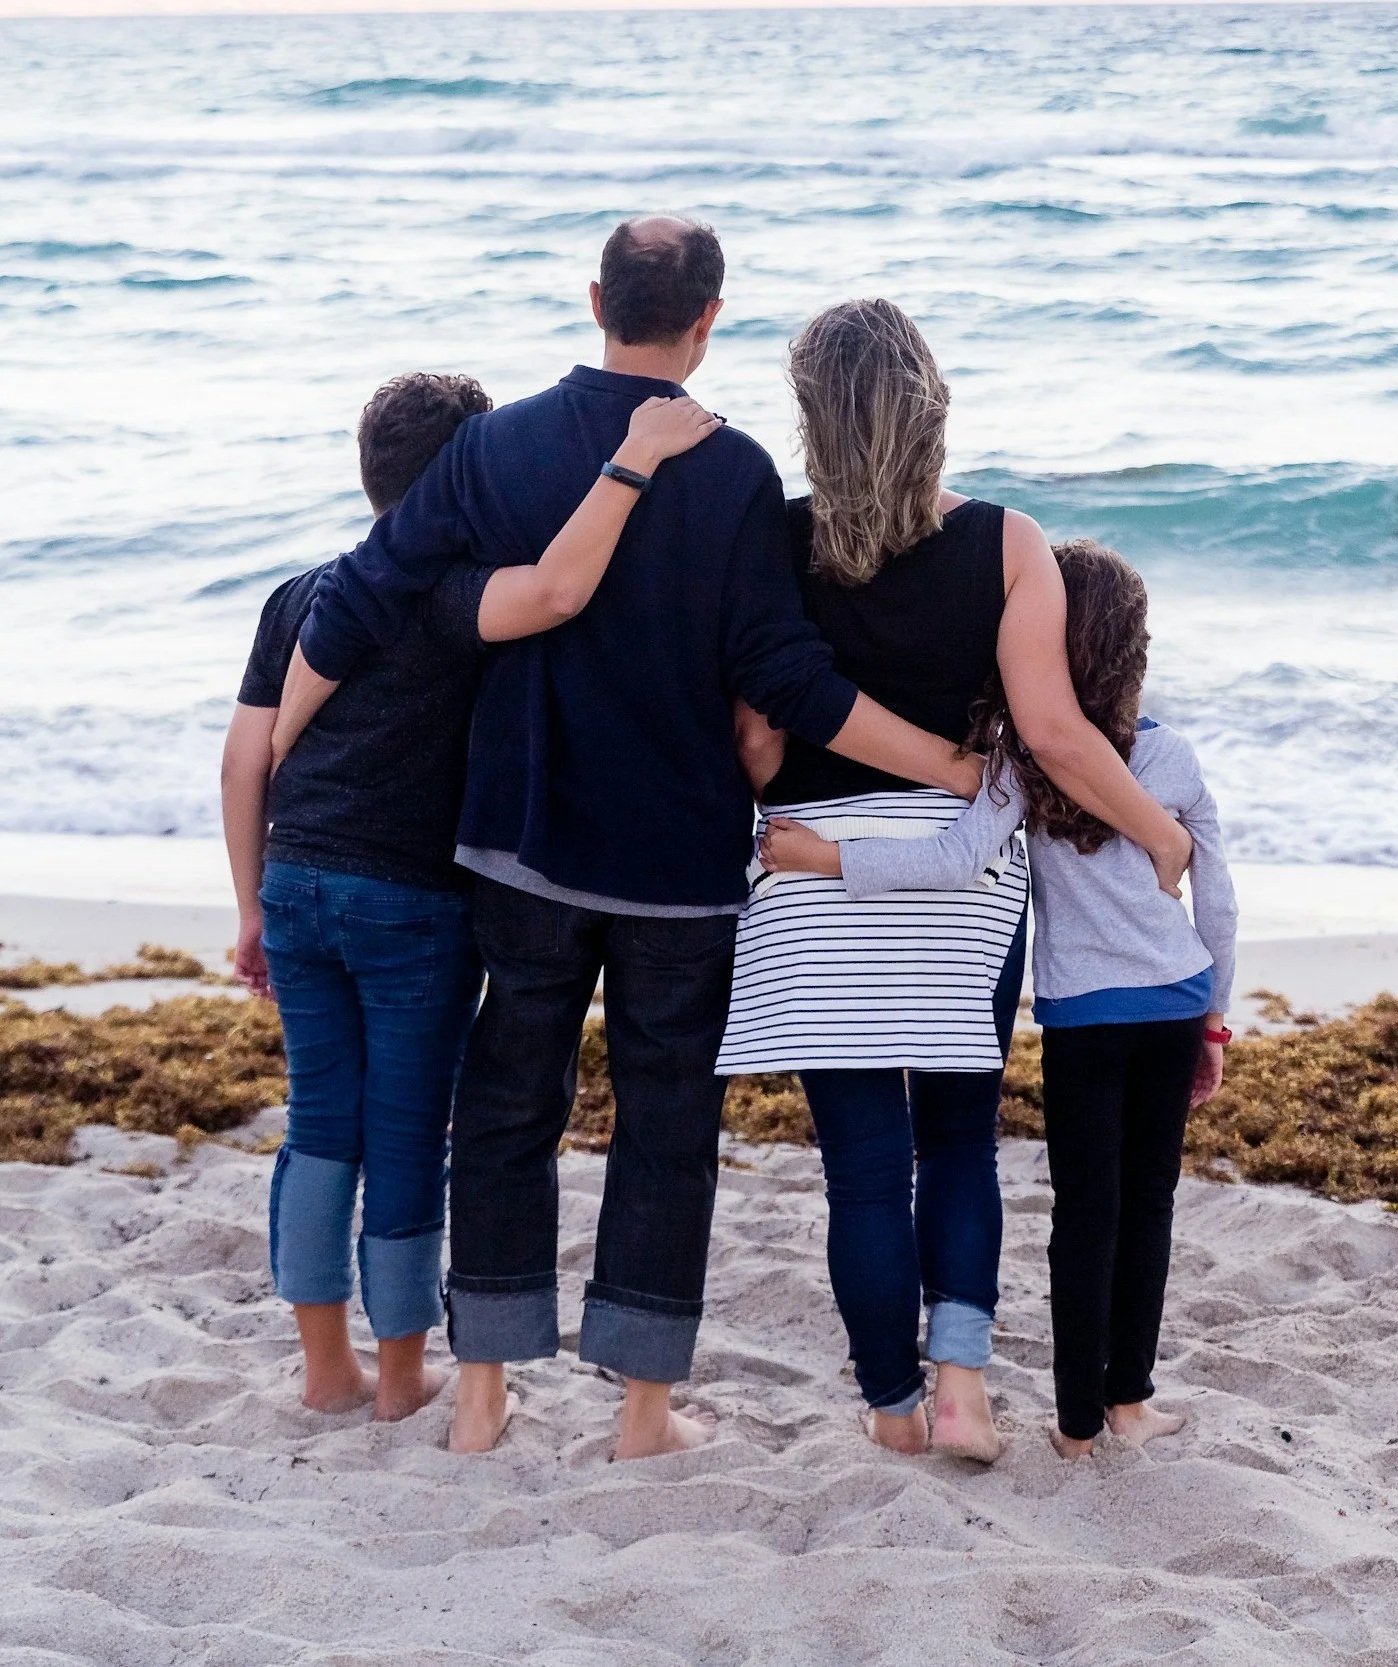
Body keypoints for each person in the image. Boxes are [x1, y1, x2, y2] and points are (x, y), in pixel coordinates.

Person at [268, 218, 985, 1461]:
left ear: (594, 294)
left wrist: (279, 746)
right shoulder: (737, 472)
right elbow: (787, 677)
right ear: (709, 319)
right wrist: (952, 768)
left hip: (523, 844)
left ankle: (483, 1390)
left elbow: (365, 592)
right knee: (664, 1126)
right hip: (676, 865)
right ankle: (643, 1414)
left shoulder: (497, 447)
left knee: (505, 1109)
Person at [714, 301, 1194, 1462]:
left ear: (810, 418)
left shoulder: (773, 542)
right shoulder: (1005, 541)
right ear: (931, 405)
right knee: (959, 1141)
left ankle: (891, 1407)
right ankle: (964, 1383)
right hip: (958, 879)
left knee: (865, 1165)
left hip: (812, 876)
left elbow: (756, 751)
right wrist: (1158, 838)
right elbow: (1054, 733)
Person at [222, 370, 722, 1422]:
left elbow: (243, 761)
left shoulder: (301, 592)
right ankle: (402, 1376)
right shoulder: (452, 597)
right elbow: (553, 590)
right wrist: (632, 465)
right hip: (409, 903)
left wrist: (250, 908)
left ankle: (323, 1368)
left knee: (320, 1123)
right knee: (404, 1133)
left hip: (297, 882)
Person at [760, 540, 1238, 1460]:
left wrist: (823, 855)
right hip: (1175, 1003)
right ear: (1135, 650)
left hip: (1081, 1018)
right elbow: (1215, 899)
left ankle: (1072, 1427)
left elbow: (949, 860)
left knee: (1084, 1213)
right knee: (1150, 1206)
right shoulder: (1170, 758)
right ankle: (1129, 1399)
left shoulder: (1022, 763)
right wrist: (1214, 1015)